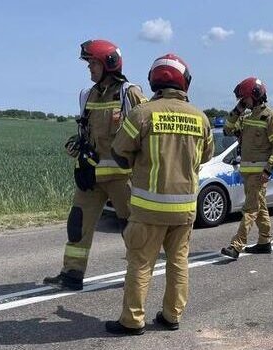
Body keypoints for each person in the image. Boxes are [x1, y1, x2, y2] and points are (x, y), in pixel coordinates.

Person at [105, 53, 214, 335]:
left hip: (147, 208)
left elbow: (119, 151)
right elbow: (206, 155)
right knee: (178, 263)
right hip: (185, 210)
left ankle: (132, 320)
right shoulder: (200, 118)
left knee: (140, 264)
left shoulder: (142, 113)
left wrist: (135, 164)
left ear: (155, 80)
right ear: (184, 82)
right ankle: (171, 316)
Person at [43, 39, 147, 291]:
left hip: (122, 178)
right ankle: (72, 274)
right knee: (77, 223)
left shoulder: (129, 93)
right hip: (91, 176)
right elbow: (86, 132)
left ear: (109, 64)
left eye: (93, 63)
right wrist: (77, 149)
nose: (89, 68)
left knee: (131, 229)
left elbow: (145, 130)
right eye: (88, 63)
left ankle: (137, 275)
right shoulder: (86, 95)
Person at [220, 77, 273, 260]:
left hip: (259, 173)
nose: (243, 102)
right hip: (247, 173)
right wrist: (237, 110)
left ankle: (236, 245)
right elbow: (227, 129)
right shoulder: (247, 117)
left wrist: (268, 170)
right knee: (259, 206)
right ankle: (265, 242)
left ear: (256, 95)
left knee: (250, 209)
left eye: (245, 98)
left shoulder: (271, 117)